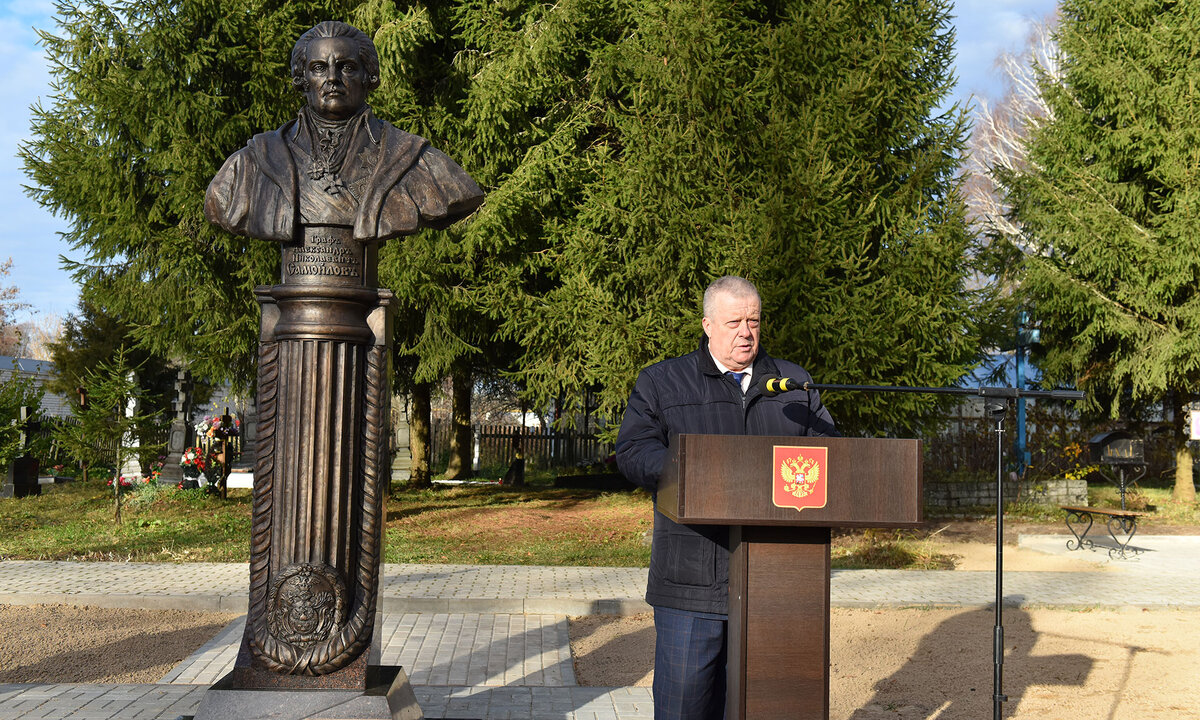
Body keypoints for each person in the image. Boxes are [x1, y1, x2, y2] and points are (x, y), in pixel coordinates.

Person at [615, 275, 838, 720]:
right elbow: (634, 451)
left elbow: (831, 453)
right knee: (684, 710)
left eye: (753, 321)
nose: (746, 331)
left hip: (774, 586)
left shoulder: (793, 384)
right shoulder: (663, 382)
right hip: (690, 584)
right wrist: (694, 473)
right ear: (707, 325)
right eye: (734, 321)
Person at [205, 21, 483, 244]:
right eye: (318, 68)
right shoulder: (249, 165)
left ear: (369, 76)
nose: (332, 78)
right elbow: (218, 203)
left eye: (346, 67)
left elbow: (463, 196)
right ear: (302, 80)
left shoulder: (417, 161)